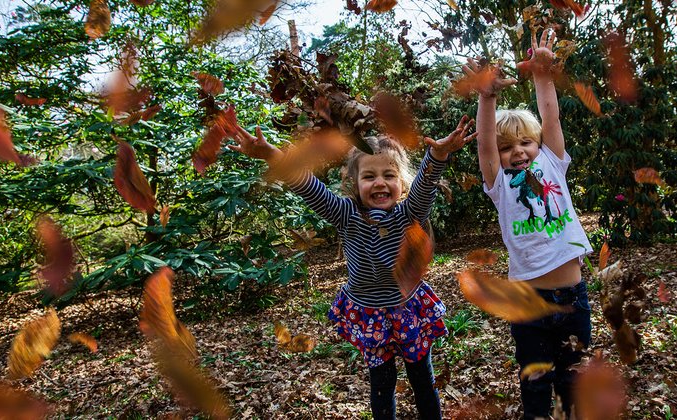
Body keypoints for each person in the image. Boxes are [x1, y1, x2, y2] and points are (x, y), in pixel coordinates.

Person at [229, 116, 476, 420]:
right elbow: (310, 188)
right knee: (382, 386)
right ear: (355, 184)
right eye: (369, 176)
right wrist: (272, 155)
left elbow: (425, 188)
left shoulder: (408, 213)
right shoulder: (346, 214)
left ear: (401, 182)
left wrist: (437, 154)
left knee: (422, 379)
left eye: (389, 175)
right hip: (368, 312)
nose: (380, 183)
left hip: (407, 308)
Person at [467, 28, 593, 419]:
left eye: (525, 142)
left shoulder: (553, 162)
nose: (517, 151)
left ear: (538, 145)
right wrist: (487, 98)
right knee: (536, 387)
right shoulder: (500, 184)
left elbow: (550, 116)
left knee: (573, 382)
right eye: (508, 148)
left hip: (572, 299)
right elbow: (485, 143)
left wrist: (542, 75)